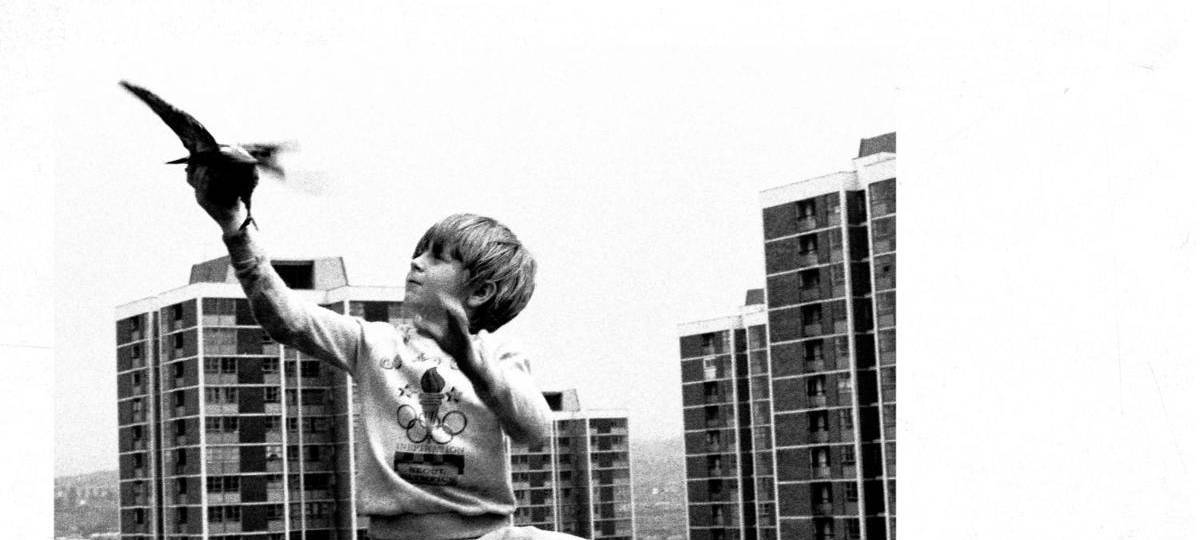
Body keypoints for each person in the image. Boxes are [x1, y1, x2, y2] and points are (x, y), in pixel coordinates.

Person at [187, 149, 580, 540]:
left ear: (480, 292)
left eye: (438, 258)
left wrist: (475, 366)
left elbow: (534, 430)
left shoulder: (499, 356)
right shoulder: (373, 343)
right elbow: (288, 319)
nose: (416, 263)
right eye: (418, 253)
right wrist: (235, 225)